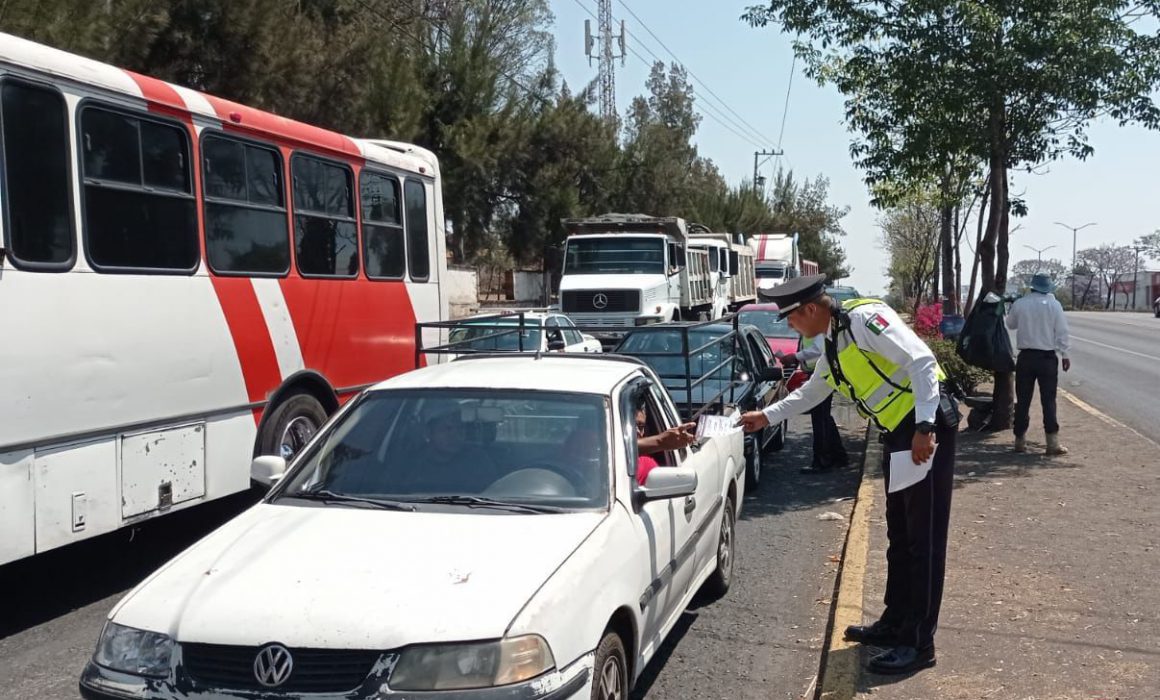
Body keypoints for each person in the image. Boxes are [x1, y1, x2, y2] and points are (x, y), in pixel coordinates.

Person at [738, 275, 958, 675]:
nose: (790, 327)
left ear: (809, 310)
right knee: (902, 536)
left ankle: (919, 643)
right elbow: (814, 391)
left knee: (923, 541)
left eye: (790, 319)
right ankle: (895, 624)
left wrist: (925, 428)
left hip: (924, 431)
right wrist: (765, 417)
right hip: (899, 434)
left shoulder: (865, 320)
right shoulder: (832, 339)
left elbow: (922, 360)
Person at [1005, 273, 1071, 455]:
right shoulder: (1054, 305)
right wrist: (1065, 354)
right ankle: (1052, 443)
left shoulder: (1020, 304)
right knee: (1049, 401)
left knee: (1023, 401)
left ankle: (1019, 441)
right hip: (1047, 358)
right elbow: (1062, 332)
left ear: (1031, 287)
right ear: (1048, 288)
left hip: (1026, 358)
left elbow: (1010, 324)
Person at [779, 333, 849, 473]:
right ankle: (838, 456)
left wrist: (795, 356)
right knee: (824, 417)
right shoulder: (812, 325)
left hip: (821, 373)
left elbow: (818, 349)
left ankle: (822, 461)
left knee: (820, 418)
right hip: (820, 372)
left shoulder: (816, 327)